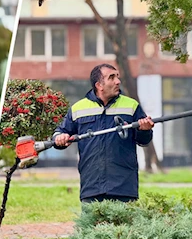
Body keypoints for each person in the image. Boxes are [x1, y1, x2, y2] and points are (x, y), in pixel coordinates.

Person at [53, 63, 154, 203]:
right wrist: (60, 137)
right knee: (90, 225)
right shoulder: (78, 108)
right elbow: (60, 132)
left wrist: (145, 130)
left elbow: (144, 141)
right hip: (91, 187)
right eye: (111, 78)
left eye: (117, 77)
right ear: (99, 85)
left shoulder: (131, 106)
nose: (118, 81)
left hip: (124, 187)